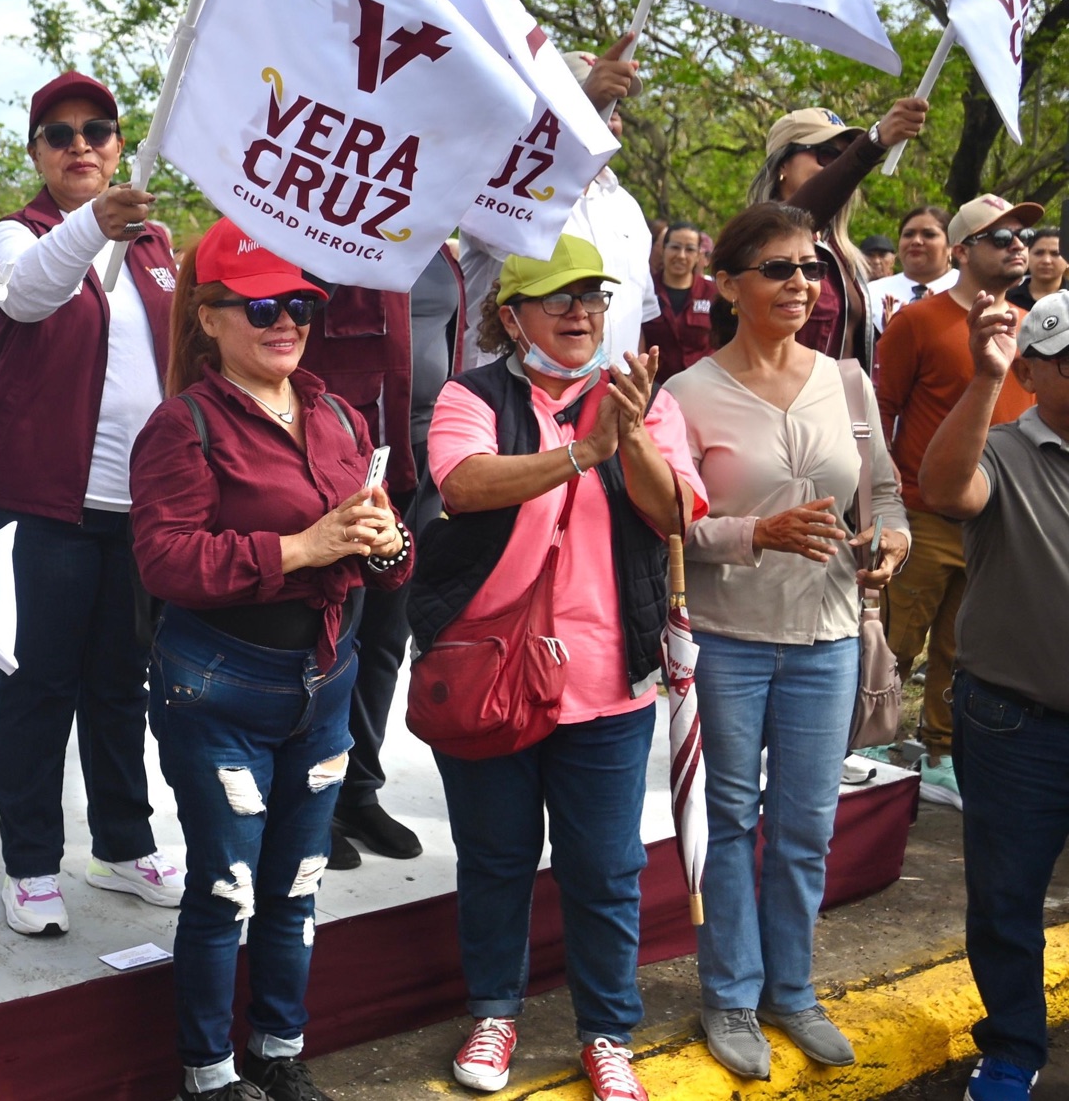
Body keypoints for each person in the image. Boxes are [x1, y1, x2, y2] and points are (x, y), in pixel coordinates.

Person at [412, 235, 704, 1101]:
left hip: (607, 681)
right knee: (496, 857)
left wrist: (630, 435)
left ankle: (607, 1030)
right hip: (489, 671)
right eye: (559, 299)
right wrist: (579, 451)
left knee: (606, 866)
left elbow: (674, 511)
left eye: (594, 299)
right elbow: (462, 483)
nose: (581, 314)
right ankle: (496, 1011)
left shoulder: (642, 399)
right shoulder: (471, 393)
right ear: (511, 317)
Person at [131, 218, 410, 1101]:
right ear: (209, 318)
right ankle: (209, 1076)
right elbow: (166, 561)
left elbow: (386, 555)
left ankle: (279, 1051)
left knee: (298, 881)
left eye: (299, 304)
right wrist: (302, 546)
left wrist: (388, 541)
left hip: (324, 685)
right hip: (218, 686)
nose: (284, 321)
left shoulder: (335, 414)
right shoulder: (183, 425)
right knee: (225, 888)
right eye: (261, 307)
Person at [665, 203, 909, 1081]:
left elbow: (883, 493)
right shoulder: (684, 395)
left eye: (809, 267)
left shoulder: (848, 381)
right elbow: (671, 528)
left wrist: (890, 543)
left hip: (830, 638)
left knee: (805, 827)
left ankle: (791, 989)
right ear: (726, 286)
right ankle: (729, 993)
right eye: (777, 268)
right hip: (728, 640)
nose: (801, 283)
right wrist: (753, 534)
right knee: (728, 821)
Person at [0, 71, 183, 934]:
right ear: (37, 153)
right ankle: (28, 861)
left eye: (98, 129)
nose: (81, 144)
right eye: (60, 134)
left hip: (135, 506)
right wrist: (96, 223)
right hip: (37, 501)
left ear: (121, 143)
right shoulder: (20, 234)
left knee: (119, 682)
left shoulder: (158, 246)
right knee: (37, 684)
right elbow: (30, 295)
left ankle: (123, 843)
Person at [917, 292, 1069, 1101]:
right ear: (1037, 371)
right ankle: (1013, 1048)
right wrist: (983, 377)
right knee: (1008, 899)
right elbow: (944, 488)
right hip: (1017, 723)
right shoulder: (1004, 448)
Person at [866, 195, 1041, 811]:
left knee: (962, 649)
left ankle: (940, 752)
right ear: (962, 252)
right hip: (925, 511)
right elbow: (882, 405)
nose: (1017, 245)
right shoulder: (917, 320)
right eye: (1000, 237)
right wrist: (885, 484)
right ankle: (866, 744)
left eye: (1024, 234)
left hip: (998, 520)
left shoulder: (1030, 324)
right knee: (897, 638)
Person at [297, 244, 463, 870]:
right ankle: (312, 799)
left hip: (423, 461)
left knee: (389, 638)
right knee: (338, 638)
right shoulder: (337, 226)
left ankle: (357, 791)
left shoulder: (442, 253)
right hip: (345, 460)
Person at [459, 38, 656, 372]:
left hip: (607, 408)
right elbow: (505, 235)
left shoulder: (628, 209)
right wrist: (581, 115)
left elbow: (634, 319)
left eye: (614, 109)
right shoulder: (501, 180)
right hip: (509, 405)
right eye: (593, 103)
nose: (607, 118)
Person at [747, 100, 929, 366]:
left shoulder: (841, 252)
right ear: (782, 165)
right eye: (826, 154)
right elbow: (793, 220)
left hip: (844, 404)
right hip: (784, 403)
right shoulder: (759, 234)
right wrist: (873, 142)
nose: (837, 167)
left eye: (844, 158)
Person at [642, 220, 716, 380]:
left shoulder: (713, 294)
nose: (681, 255)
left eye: (689, 249)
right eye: (675, 247)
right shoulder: (645, 291)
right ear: (663, 250)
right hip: (655, 389)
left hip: (702, 385)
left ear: (698, 255)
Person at [868, 206, 957, 337]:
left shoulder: (967, 288)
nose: (916, 241)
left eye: (929, 234)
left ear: (951, 246)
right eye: (908, 234)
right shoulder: (870, 293)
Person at [1008, 226, 1063, 311]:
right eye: (1039, 253)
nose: (1046, 261)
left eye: (1055, 254)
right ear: (1027, 255)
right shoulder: (1008, 299)